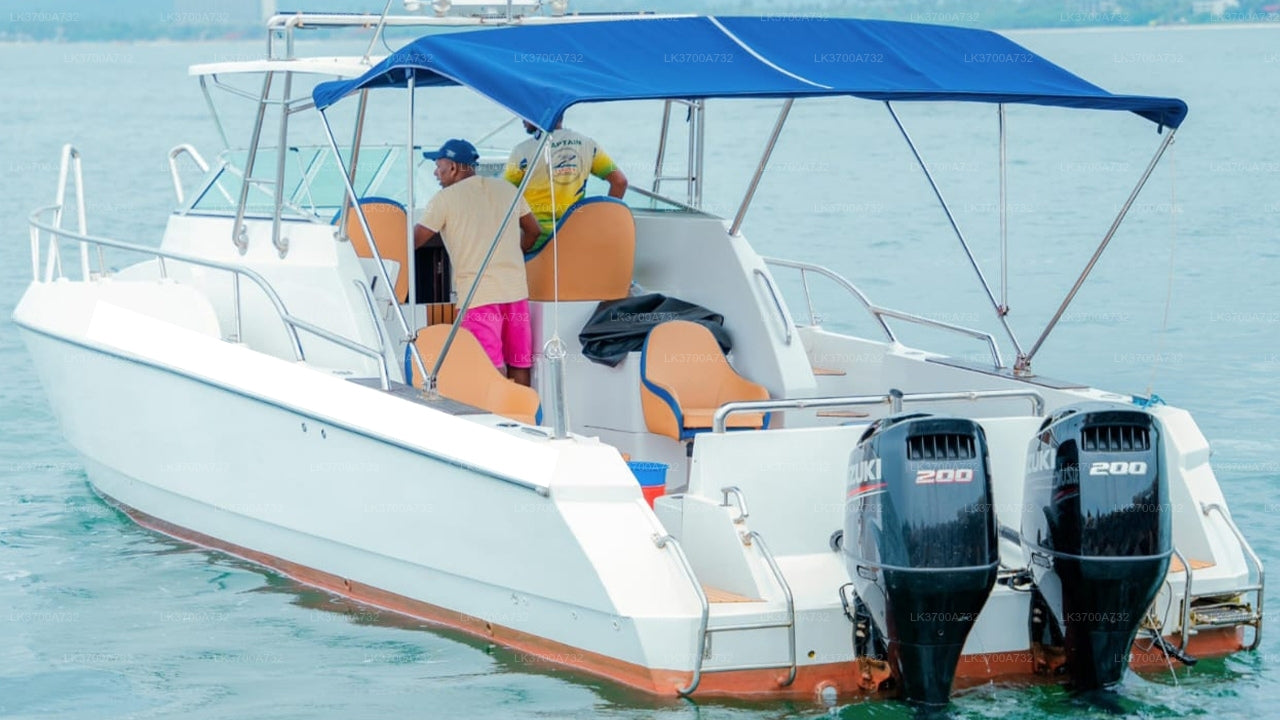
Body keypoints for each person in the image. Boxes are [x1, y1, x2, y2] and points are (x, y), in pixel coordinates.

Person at [414, 139, 543, 387]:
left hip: (479, 297)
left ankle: (493, 421)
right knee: (519, 362)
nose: (435, 172)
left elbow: (415, 241)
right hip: (515, 292)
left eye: (438, 165)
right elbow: (533, 231)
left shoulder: (444, 199)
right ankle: (522, 417)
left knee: (486, 365)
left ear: (452, 167)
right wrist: (512, 255)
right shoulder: (507, 189)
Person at [504, 121, 628, 254]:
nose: (523, 119)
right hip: (573, 238)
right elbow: (620, 182)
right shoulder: (588, 144)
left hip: (534, 243)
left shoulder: (522, 151)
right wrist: (603, 224)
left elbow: (504, 195)